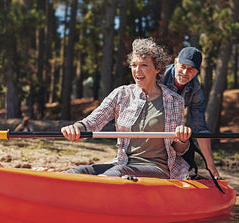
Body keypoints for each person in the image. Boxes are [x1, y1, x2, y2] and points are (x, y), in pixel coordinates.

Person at [60, 37, 192, 179]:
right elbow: (93, 121)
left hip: (157, 168)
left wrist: (183, 139)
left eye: (143, 65)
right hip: (123, 163)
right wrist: (77, 128)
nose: (137, 71)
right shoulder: (121, 94)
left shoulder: (175, 101)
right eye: (134, 65)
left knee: (116, 173)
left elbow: (179, 151)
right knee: (78, 172)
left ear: (157, 68)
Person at [160, 46, 220, 178]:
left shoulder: (196, 89)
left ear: (196, 72)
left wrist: (210, 165)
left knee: (187, 141)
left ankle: (188, 175)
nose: (185, 72)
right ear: (175, 62)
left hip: (174, 131)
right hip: (152, 127)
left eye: (191, 69)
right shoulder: (159, 76)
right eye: (182, 66)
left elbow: (200, 128)